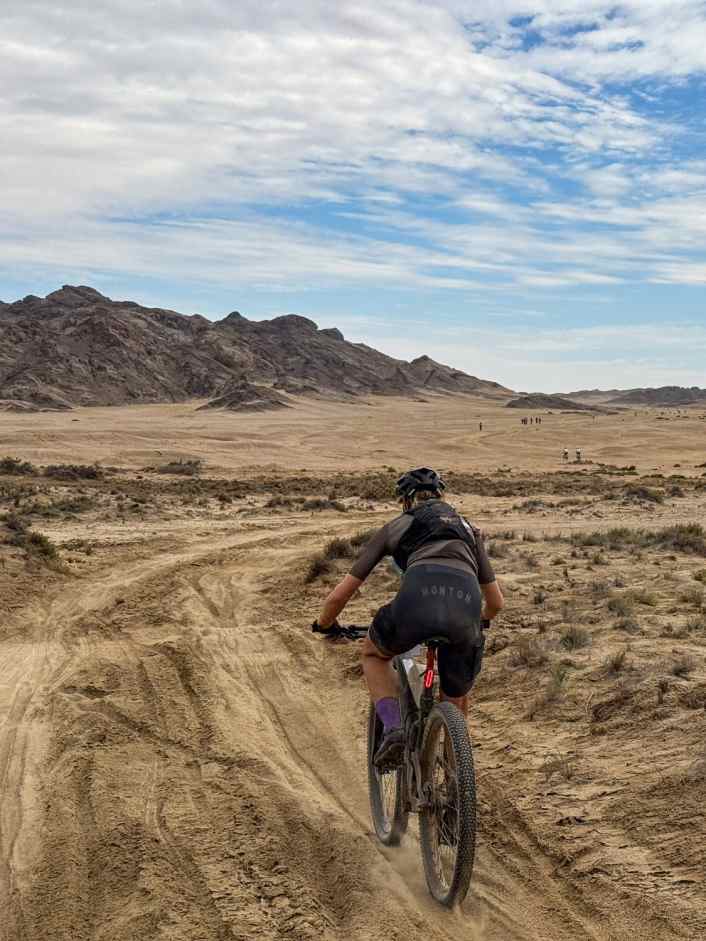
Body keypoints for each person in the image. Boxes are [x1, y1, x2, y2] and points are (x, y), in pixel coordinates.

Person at [311, 467, 504, 766]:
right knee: (456, 696)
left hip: (416, 602)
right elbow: (496, 602)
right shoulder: (469, 529)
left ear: (405, 500)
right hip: (465, 610)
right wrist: (480, 620)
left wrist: (325, 625)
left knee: (374, 655)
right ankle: (454, 778)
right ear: (442, 496)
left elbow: (341, 594)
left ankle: (393, 728)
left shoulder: (397, 526)